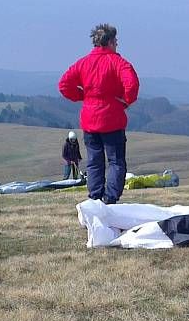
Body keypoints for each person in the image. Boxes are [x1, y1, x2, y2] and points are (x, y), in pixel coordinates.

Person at [58, 24, 140, 204]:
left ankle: (95, 197)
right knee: (116, 162)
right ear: (109, 42)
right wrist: (125, 101)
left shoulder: (83, 63)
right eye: (115, 41)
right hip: (112, 120)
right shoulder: (118, 63)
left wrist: (83, 96)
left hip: (90, 120)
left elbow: (64, 85)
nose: (117, 44)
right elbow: (132, 84)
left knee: (94, 161)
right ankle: (110, 199)